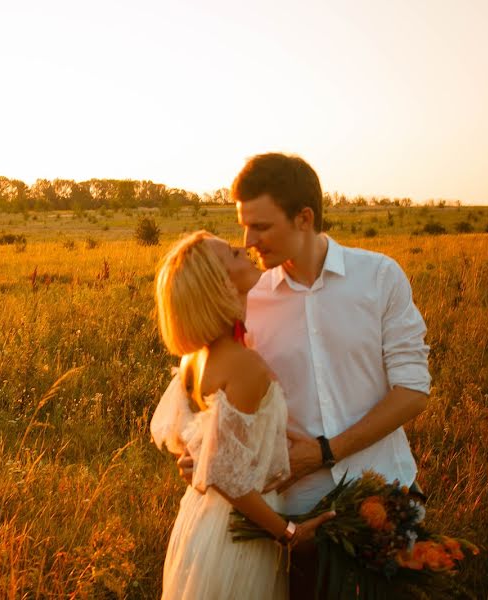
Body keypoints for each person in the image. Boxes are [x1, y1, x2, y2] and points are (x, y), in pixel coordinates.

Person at [177, 153, 431, 599]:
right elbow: (202, 390)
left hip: (385, 493)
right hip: (294, 514)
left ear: (304, 217)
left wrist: (326, 452)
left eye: (260, 226)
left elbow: (412, 390)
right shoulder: (244, 296)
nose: (248, 239)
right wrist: (198, 447)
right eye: (243, 226)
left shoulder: (379, 277)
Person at [151, 231, 335, 599]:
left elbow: (191, 439)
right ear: (220, 284)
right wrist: (288, 534)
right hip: (238, 533)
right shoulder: (243, 364)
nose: (246, 250)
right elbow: (225, 473)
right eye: (234, 254)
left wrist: (200, 456)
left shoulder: (198, 358)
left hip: (202, 522)